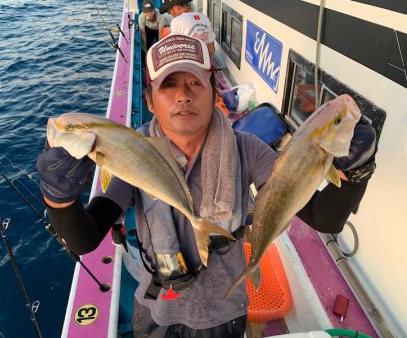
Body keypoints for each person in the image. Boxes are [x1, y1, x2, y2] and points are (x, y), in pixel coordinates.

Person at [36, 35, 377, 337]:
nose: (183, 96)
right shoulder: (131, 153)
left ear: (214, 91)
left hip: (223, 313)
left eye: (195, 83)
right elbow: (84, 238)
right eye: (169, 85)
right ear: (150, 100)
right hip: (156, 309)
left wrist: (357, 170)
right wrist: (59, 199)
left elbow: (323, 218)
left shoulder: (248, 149)